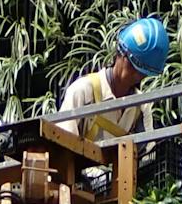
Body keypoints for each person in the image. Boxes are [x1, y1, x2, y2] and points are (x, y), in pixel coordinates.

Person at [55, 15, 169, 144]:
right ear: (120, 52)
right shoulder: (83, 91)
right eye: (132, 66)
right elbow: (62, 145)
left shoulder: (141, 107)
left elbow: (147, 155)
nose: (136, 75)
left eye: (142, 73)